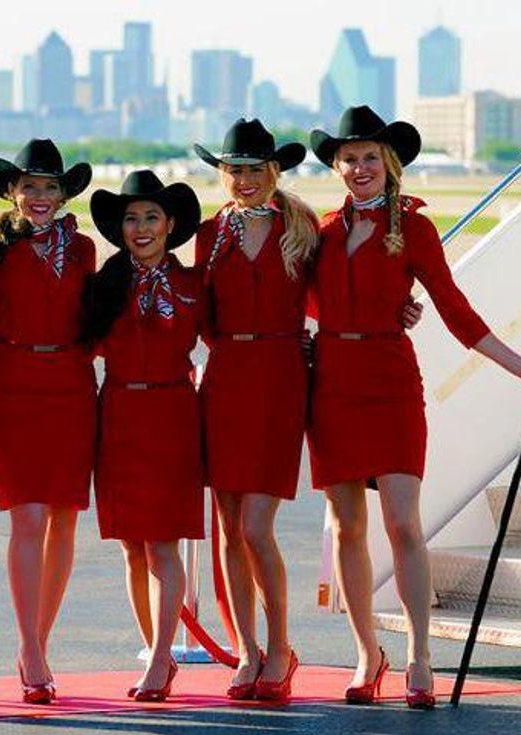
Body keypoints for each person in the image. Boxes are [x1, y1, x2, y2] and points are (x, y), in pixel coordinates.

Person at [308, 105, 521, 709]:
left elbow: (454, 307)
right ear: (337, 166)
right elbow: (301, 300)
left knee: (403, 524)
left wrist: (520, 366)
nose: (360, 168)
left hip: (389, 381)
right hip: (332, 384)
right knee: (346, 529)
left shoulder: (414, 229)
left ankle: (417, 656)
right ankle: (367, 654)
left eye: (369, 158)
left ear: (389, 165)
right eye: (349, 158)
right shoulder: (324, 231)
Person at [193, 119, 316, 701]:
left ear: (274, 172)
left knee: (254, 527)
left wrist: (399, 312)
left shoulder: (301, 226)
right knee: (227, 529)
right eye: (233, 169)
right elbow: (199, 312)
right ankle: (247, 649)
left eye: (253, 169)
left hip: (279, 380)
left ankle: (282, 645)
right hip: (225, 379)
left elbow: (335, 293)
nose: (243, 180)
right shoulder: (210, 232)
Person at [0, 139, 95, 703]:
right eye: (29, 186)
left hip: (72, 385)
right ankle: (29, 648)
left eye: (50, 187)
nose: (40, 196)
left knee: (65, 520)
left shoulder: (85, 251)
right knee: (27, 518)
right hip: (12, 384)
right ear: (12, 191)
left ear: (64, 192)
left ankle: (38, 645)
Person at [82, 170, 204, 702]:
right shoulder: (105, 282)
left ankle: (160, 660)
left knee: (162, 544)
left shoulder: (195, 283)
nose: (141, 227)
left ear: (170, 224)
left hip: (174, 411)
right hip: (120, 412)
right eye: (131, 218)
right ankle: (152, 645)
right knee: (132, 547)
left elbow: (245, 329)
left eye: (151, 217)